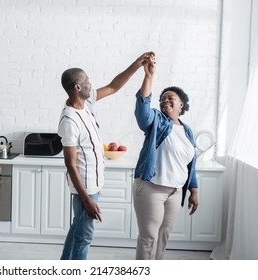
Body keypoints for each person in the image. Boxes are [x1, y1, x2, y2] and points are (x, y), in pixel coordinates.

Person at [58, 51, 154, 260]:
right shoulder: (69, 121)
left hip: (93, 183)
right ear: (77, 87)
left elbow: (113, 86)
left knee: (77, 229)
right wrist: (87, 201)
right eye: (87, 81)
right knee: (84, 237)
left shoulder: (86, 104)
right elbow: (71, 165)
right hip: (86, 188)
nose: (90, 83)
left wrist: (137, 65)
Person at [133, 53, 199, 260]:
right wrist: (149, 77)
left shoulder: (187, 131)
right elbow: (142, 113)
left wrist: (193, 191)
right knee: (149, 237)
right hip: (151, 187)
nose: (165, 101)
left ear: (182, 105)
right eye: (162, 99)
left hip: (176, 192)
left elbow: (190, 164)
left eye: (170, 98)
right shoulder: (157, 121)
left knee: (163, 236)